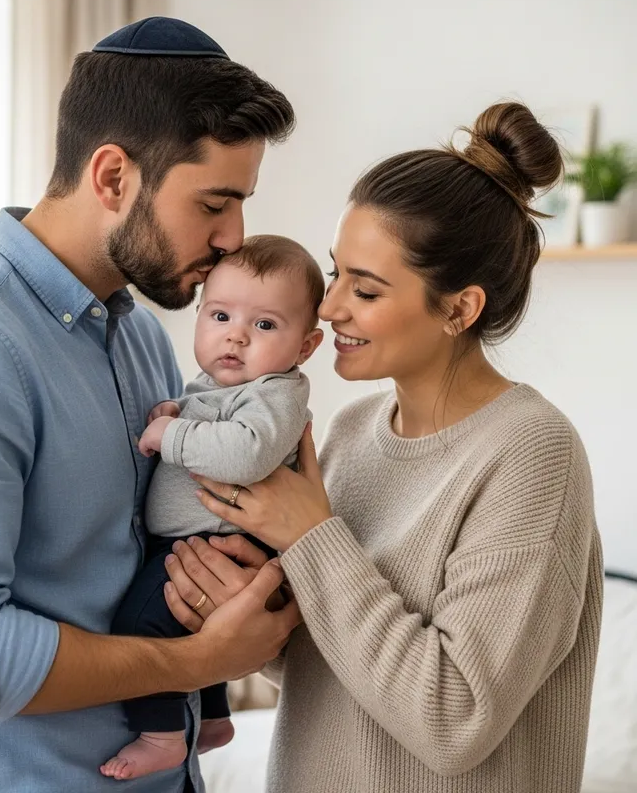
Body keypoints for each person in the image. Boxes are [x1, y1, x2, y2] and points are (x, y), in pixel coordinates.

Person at [0, 17, 300, 793]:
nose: (235, 239)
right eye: (214, 204)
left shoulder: (140, 339)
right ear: (113, 178)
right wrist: (198, 661)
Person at [163, 102, 604, 793]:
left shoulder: (531, 455)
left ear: (461, 309)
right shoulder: (349, 432)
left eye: (364, 290)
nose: (329, 306)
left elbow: (452, 721)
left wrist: (310, 535)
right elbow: (337, 669)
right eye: (336, 273)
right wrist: (246, 616)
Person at [102, 235, 324, 781]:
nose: (237, 335)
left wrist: (172, 433)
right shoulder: (224, 384)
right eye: (220, 315)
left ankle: (162, 735)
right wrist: (178, 409)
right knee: (196, 627)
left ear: (306, 346)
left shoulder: (277, 392)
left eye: (266, 325)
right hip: (199, 534)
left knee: (139, 623)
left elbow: (245, 452)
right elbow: (210, 413)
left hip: (221, 539)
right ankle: (217, 718)